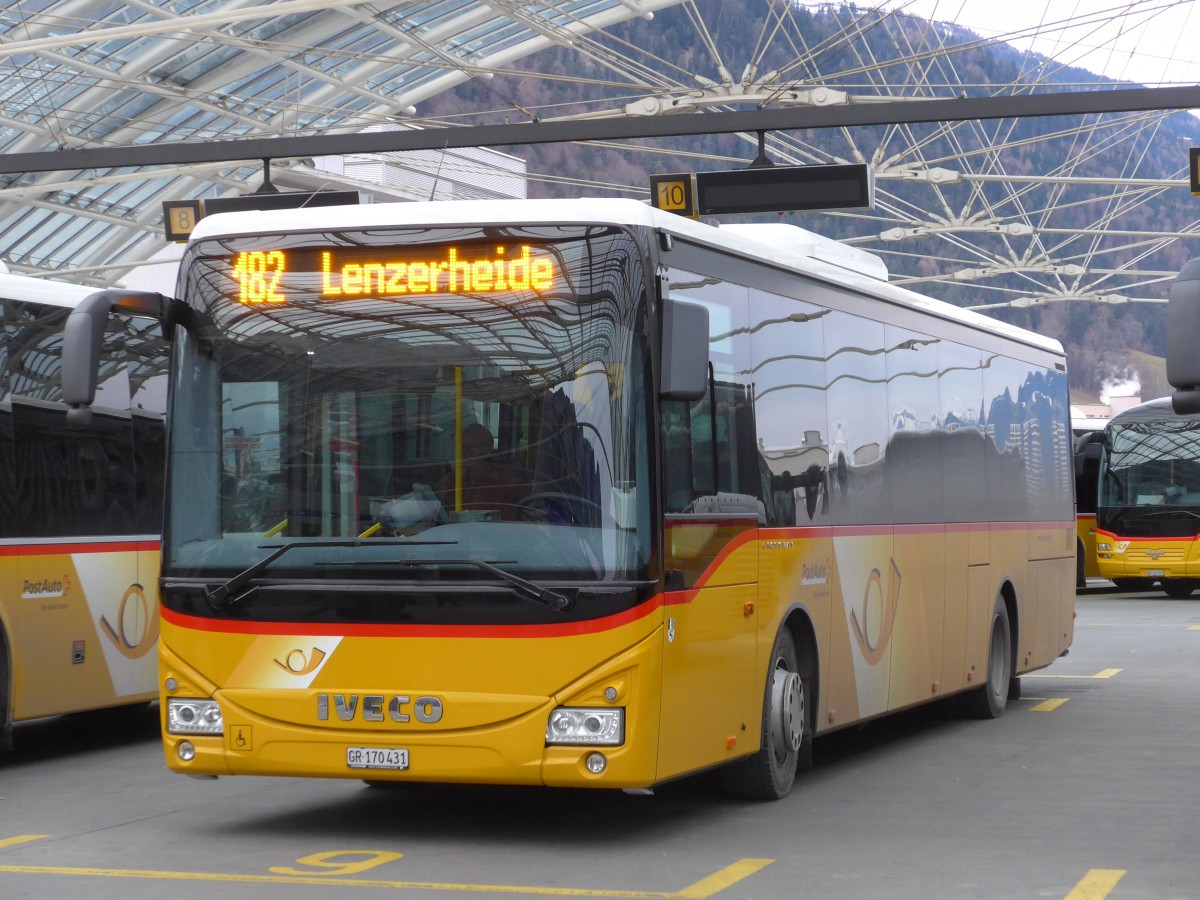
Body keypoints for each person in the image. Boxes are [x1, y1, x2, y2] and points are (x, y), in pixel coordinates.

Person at [437, 423, 525, 518]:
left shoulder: (505, 482)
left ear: (487, 450)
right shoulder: (449, 482)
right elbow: (436, 514)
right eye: (461, 447)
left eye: (470, 447)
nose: (463, 453)